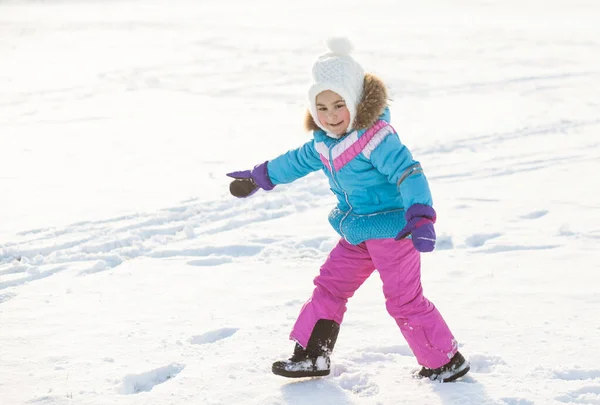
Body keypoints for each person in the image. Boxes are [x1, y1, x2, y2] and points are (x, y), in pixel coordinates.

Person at [226, 37, 470, 383]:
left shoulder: (377, 138)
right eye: (321, 108)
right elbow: (293, 162)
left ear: (355, 102)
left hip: (393, 231)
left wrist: (420, 215)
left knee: (403, 300)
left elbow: (408, 172)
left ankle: (445, 361)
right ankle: (312, 355)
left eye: (338, 105)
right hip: (356, 232)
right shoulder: (324, 143)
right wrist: (258, 177)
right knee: (329, 287)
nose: (330, 116)